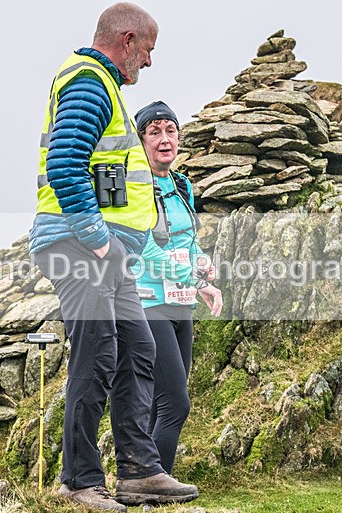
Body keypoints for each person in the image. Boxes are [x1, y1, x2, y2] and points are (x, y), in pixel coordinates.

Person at [28, 3, 198, 512]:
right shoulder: (88, 81)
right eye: (147, 50)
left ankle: (140, 472)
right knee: (97, 354)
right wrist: (100, 240)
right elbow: (64, 163)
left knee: (136, 350)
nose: (148, 62)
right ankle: (79, 482)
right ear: (127, 40)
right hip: (79, 245)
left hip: (108, 250)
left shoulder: (106, 86)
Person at [131, 101, 223, 475]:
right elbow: (145, 248)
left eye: (171, 131)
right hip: (149, 302)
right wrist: (196, 279)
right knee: (175, 403)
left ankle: (144, 486)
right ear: (141, 142)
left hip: (181, 304)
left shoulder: (181, 184)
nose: (164, 139)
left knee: (160, 403)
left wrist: (202, 264)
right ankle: (155, 484)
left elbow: (187, 242)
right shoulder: (136, 185)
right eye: (154, 132)